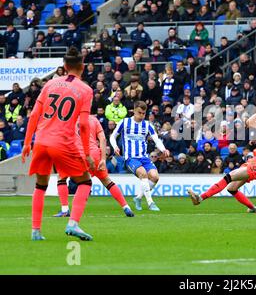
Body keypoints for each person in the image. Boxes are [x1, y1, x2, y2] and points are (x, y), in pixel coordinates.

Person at [21, 47, 95, 241]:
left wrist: (27, 142)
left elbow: (34, 114)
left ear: (64, 66)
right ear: (82, 67)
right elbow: (85, 125)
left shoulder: (50, 84)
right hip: (62, 142)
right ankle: (73, 224)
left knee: (40, 185)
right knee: (85, 182)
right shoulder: (86, 90)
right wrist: (87, 153)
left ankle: (35, 231)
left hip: (41, 140)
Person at [54, 115, 134, 218]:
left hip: (78, 155)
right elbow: (103, 139)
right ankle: (126, 207)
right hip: (95, 155)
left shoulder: (70, 119)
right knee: (107, 181)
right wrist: (103, 159)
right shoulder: (93, 119)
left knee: (62, 178)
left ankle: (65, 210)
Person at [110, 101, 170, 212]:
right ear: (134, 110)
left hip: (144, 157)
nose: (142, 115)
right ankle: (150, 203)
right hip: (130, 158)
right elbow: (112, 136)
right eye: (139, 113)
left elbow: (156, 139)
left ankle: (138, 198)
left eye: (144, 113)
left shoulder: (147, 125)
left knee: (155, 177)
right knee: (143, 174)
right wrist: (115, 147)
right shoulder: (125, 122)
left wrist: (163, 149)